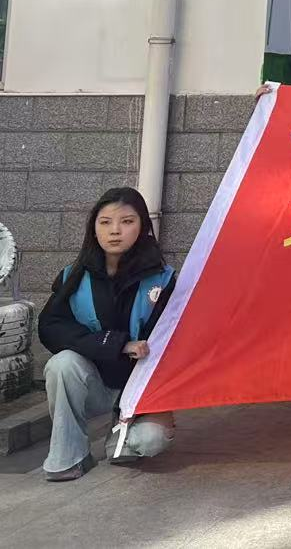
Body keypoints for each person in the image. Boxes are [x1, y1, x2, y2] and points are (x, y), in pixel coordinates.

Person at [37, 187, 178, 480]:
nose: (115, 231)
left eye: (127, 221)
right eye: (105, 222)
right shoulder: (74, 276)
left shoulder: (162, 280)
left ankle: (120, 436)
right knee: (62, 364)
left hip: (139, 389)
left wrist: (162, 404)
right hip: (94, 385)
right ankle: (70, 456)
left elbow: (174, 341)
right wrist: (116, 344)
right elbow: (50, 326)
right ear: (94, 228)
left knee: (149, 440)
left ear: (142, 227)